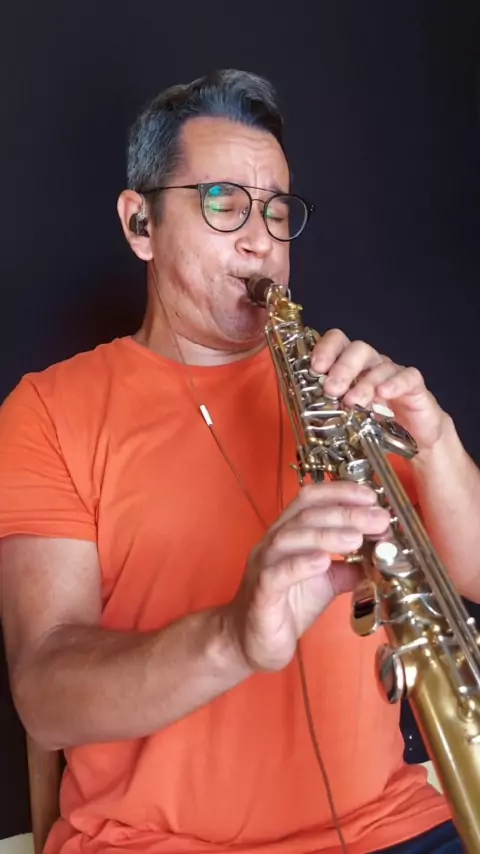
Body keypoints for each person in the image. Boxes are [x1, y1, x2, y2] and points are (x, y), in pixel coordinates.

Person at [0, 68, 479, 854]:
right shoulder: (49, 410)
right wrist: (231, 637)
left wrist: (437, 440)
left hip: (390, 828)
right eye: (223, 202)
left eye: (278, 211)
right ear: (140, 224)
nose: (262, 240)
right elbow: (46, 693)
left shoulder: (344, 386)